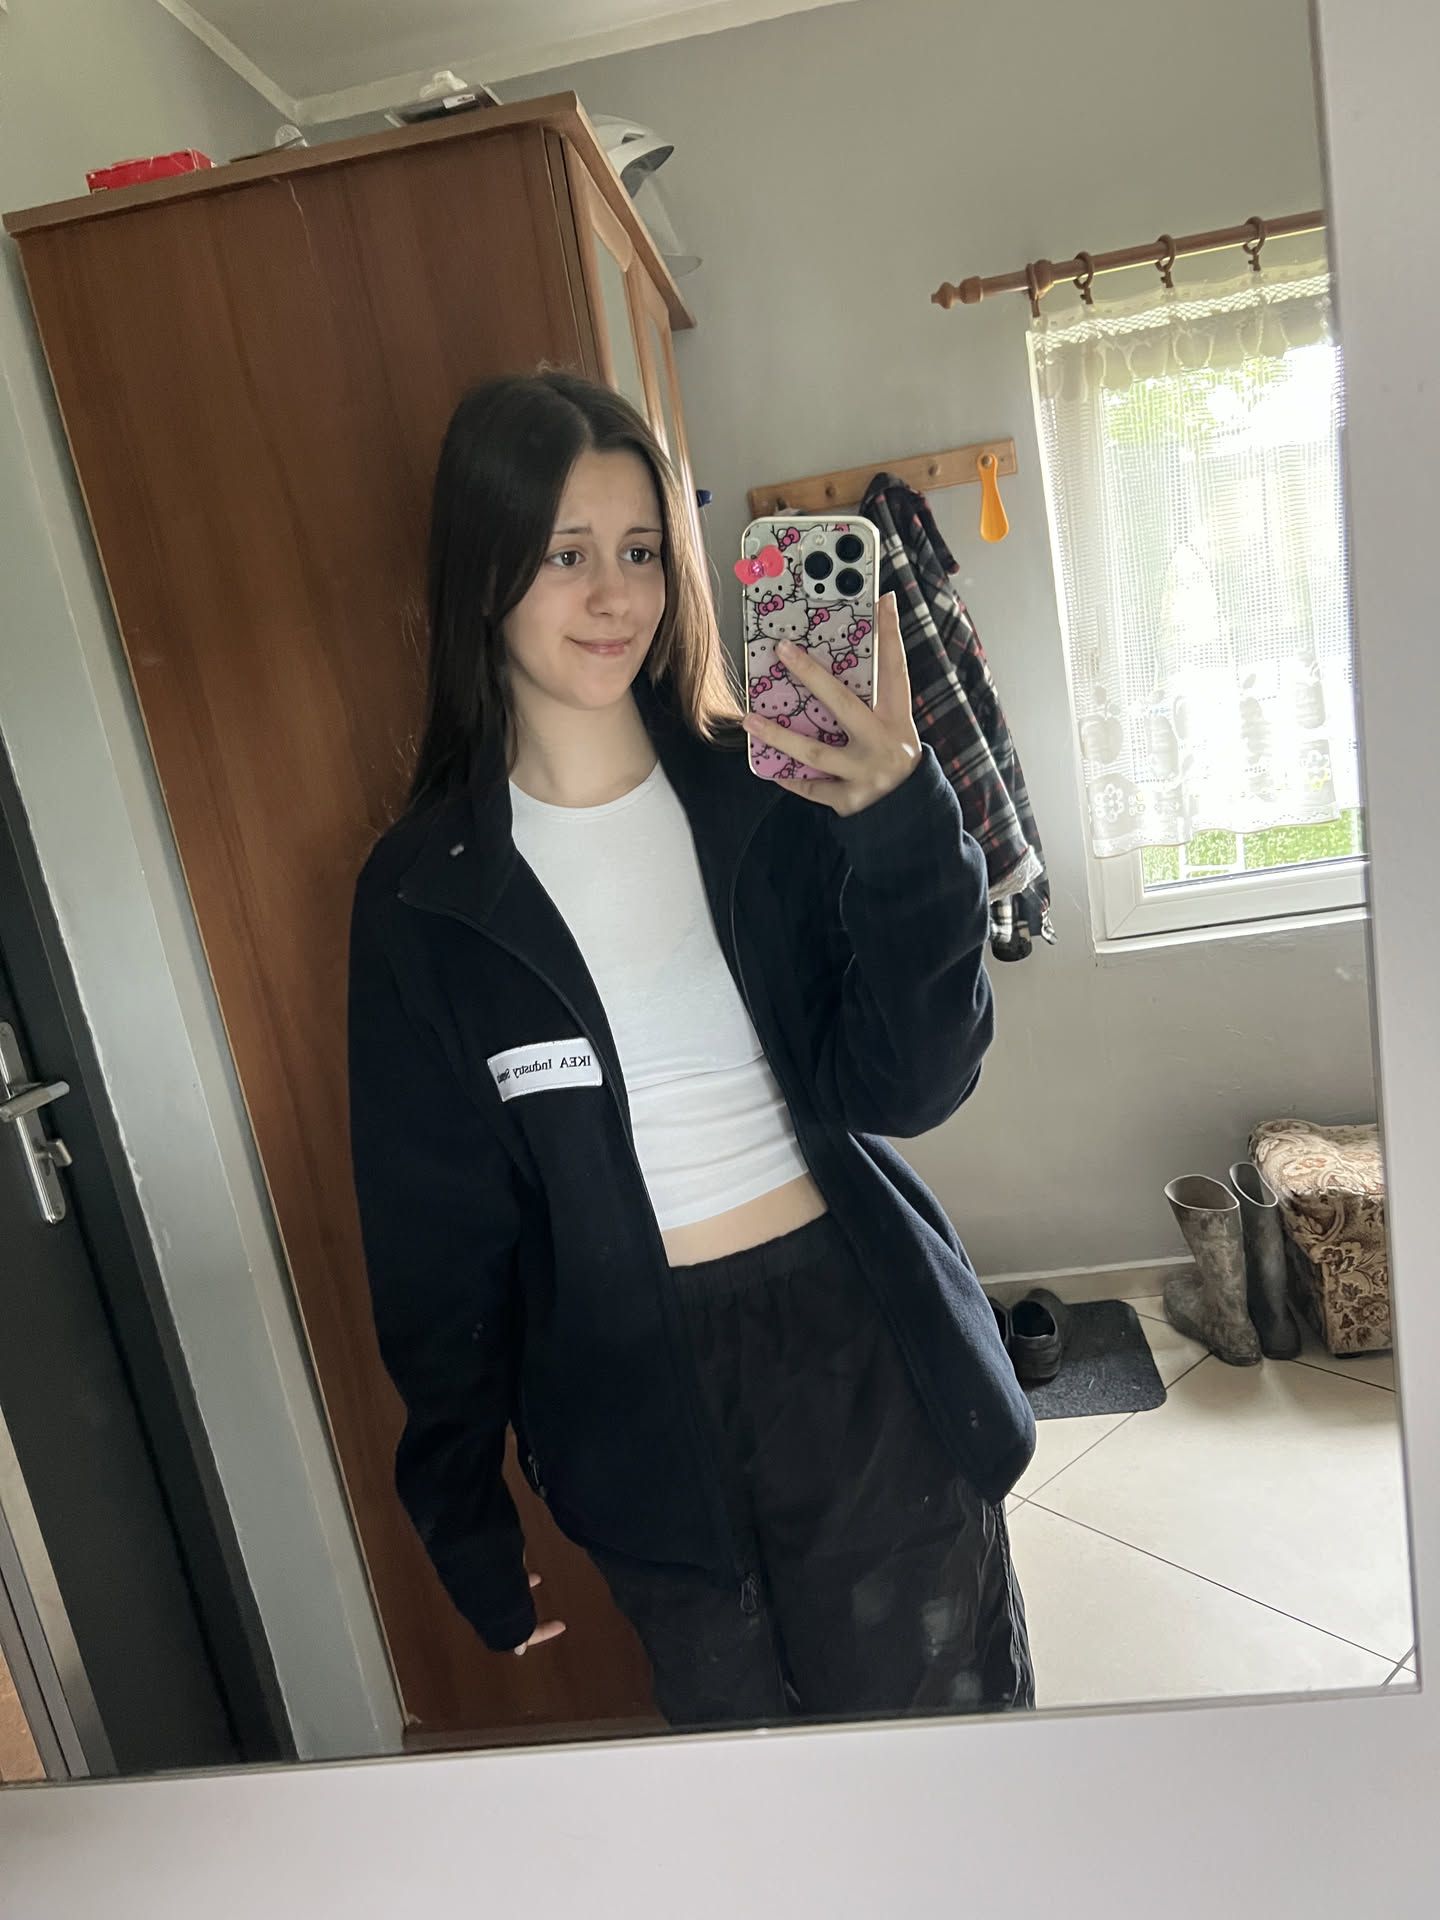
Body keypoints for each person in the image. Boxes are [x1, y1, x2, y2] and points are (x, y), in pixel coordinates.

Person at [346, 369, 1035, 1728]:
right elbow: (436, 1244)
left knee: (942, 1767)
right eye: (566, 555)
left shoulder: (766, 790)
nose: (616, 595)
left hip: (856, 1349)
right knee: (746, 1789)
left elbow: (912, 1083)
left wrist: (903, 821)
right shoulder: (425, 899)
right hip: (632, 1409)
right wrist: (461, 1511)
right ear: (484, 571)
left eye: (642, 551)